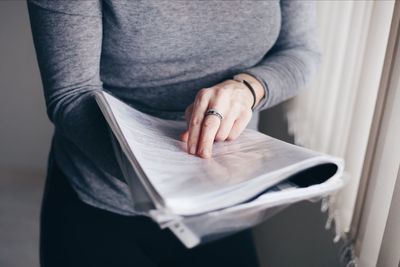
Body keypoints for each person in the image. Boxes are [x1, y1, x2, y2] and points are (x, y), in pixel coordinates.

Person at [27, 1, 320, 266]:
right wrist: (166, 182)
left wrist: (249, 87)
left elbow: (300, 51)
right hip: (103, 201)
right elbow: (72, 94)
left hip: (222, 204)